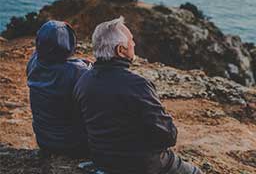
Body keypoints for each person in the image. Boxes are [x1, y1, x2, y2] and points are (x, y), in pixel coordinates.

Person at [73, 17, 203, 173]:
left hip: (101, 160)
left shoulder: (83, 80)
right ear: (120, 50)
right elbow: (168, 136)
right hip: (142, 165)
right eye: (131, 41)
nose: (134, 44)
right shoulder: (137, 85)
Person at [27, 20, 91, 158]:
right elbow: (93, 79)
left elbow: (54, 64)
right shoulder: (77, 71)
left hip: (44, 140)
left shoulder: (33, 62)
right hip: (73, 144)